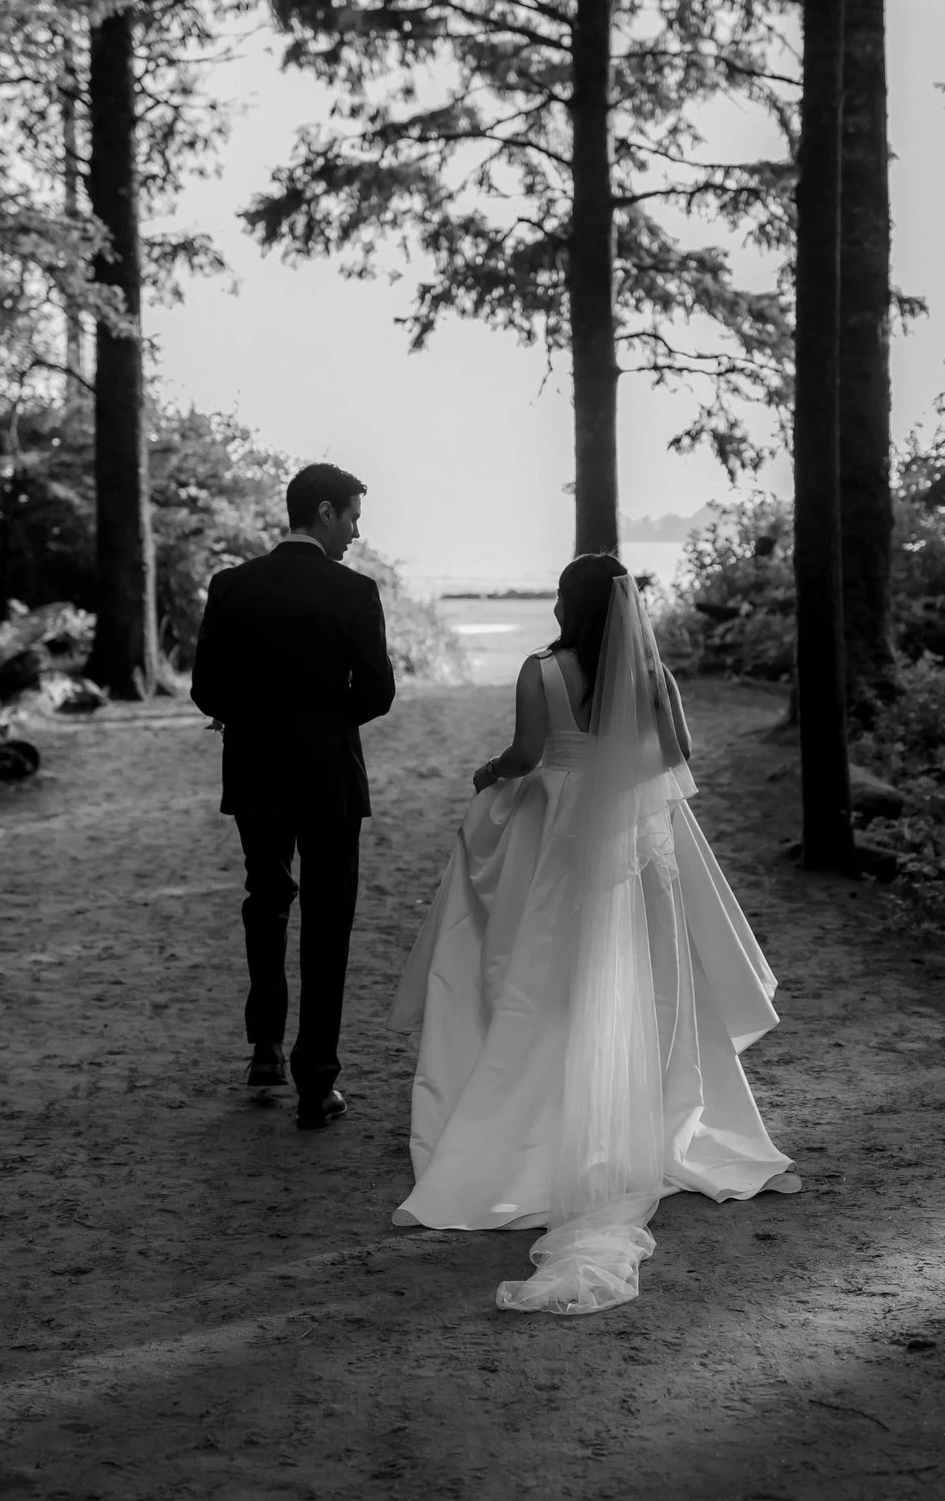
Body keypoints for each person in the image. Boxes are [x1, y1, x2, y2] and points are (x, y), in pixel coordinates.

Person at [388, 553, 799, 1313]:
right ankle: (639, 1110)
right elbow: (679, 756)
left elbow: (527, 755)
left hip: (557, 834)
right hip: (633, 838)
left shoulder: (540, 669)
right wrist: (623, 772)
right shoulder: (654, 673)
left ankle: (530, 1121)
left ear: (567, 604)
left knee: (540, 974)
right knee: (640, 978)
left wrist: (489, 774)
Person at [191, 463, 397, 1130]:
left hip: (254, 768)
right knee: (329, 919)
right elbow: (376, 692)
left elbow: (207, 687)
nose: (357, 533)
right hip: (330, 773)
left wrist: (250, 714)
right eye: (354, 517)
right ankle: (317, 1083)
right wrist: (327, 715)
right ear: (326, 511)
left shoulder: (232, 586)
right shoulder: (355, 591)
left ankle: (264, 1047)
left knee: (267, 896)